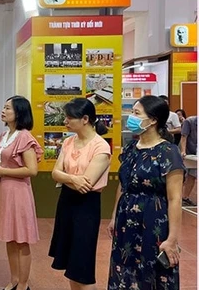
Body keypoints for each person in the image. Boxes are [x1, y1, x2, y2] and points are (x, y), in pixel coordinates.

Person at [107, 95, 185, 289]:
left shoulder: (168, 151)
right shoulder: (131, 148)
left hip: (153, 220)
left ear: (153, 120)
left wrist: (172, 238)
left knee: (150, 271)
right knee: (124, 267)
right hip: (126, 220)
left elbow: (175, 198)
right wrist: (114, 216)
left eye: (136, 113)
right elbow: (123, 185)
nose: (130, 117)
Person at [49, 98, 111, 290]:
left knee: (82, 266)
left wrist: (67, 178)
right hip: (66, 202)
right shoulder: (68, 142)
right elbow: (54, 172)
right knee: (71, 264)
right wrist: (74, 179)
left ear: (85, 119)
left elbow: (88, 183)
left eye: (69, 118)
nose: (65, 121)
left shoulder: (101, 146)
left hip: (86, 206)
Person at [0, 95, 43, 290]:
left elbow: (32, 170)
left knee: (21, 240)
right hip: (4, 191)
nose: (3, 111)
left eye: (8, 108)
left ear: (19, 113)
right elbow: (1, 163)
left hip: (18, 193)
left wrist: (3, 171)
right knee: (9, 238)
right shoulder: (3, 136)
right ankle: (14, 279)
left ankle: (24, 283)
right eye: (3, 107)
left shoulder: (25, 136)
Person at [180, 115, 197, 206]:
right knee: (191, 175)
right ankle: (184, 197)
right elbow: (184, 137)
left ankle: (184, 197)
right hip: (191, 153)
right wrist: (183, 151)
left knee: (192, 175)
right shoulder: (189, 121)